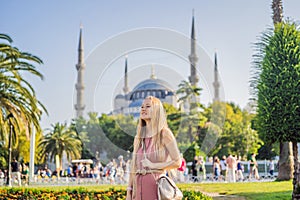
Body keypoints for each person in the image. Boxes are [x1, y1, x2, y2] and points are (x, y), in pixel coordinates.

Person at [126, 96, 181, 200]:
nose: (143, 109)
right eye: (142, 107)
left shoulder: (164, 134)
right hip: (138, 191)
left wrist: (153, 165)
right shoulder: (139, 137)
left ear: (156, 110)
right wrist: (129, 191)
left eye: (148, 106)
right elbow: (134, 166)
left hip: (156, 188)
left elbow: (177, 162)